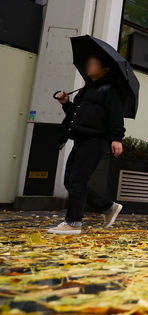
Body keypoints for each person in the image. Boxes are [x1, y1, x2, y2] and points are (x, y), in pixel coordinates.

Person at [48, 54, 125, 235]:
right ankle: (108, 207)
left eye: (94, 62)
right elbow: (76, 115)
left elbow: (116, 116)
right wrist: (66, 103)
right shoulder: (87, 89)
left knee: (77, 181)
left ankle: (73, 223)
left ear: (105, 69)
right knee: (70, 181)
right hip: (81, 139)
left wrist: (117, 139)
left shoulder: (110, 89)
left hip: (96, 141)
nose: (89, 65)